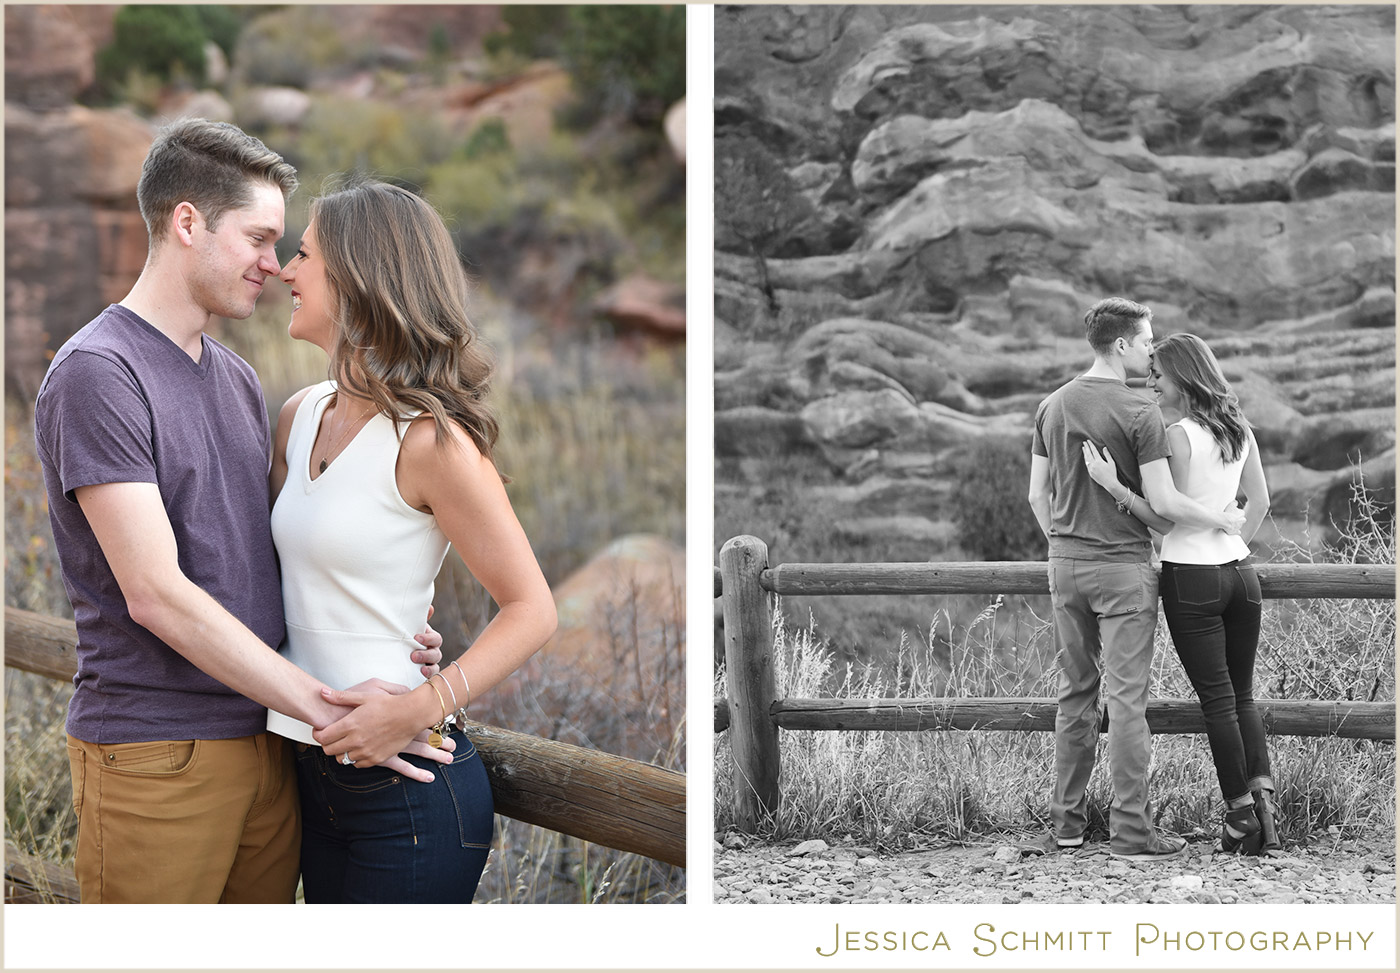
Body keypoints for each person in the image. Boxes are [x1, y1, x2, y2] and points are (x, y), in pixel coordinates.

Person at [33, 118, 446, 904]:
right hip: (158, 748)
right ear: (187, 222)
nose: (274, 264)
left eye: (282, 243)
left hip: (269, 746)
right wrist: (335, 711)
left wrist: (391, 625)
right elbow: (155, 592)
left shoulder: (234, 378)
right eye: (259, 237)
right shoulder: (98, 372)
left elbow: (271, 552)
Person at [267, 178, 558, 903]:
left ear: (361, 279)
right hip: (307, 775)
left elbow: (532, 607)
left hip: (409, 798)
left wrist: (417, 705)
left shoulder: (431, 441)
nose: (283, 270)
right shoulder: (298, 414)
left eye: (302, 255)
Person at [1027, 297, 1246, 861]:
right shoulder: (1141, 412)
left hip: (1065, 566)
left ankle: (1067, 826)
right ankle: (1130, 833)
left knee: (1074, 695)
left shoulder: (1051, 406)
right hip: (1124, 570)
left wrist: (1062, 544)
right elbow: (1165, 507)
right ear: (1121, 344)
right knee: (1126, 703)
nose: (1152, 351)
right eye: (1147, 341)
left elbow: (1036, 494)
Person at [1081, 332, 1276, 854]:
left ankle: (1239, 818)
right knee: (1243, 696)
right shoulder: (1239, 428)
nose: (1153, 385)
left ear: (1184, 378)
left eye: (1159, 377)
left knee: (1217, 702)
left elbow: (1164, 521)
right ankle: (1266, 817)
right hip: (1241, 574)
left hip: (1192, 578)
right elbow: (1259, 500)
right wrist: (1232, 537)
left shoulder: (1179, 435)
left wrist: (1114, 487)